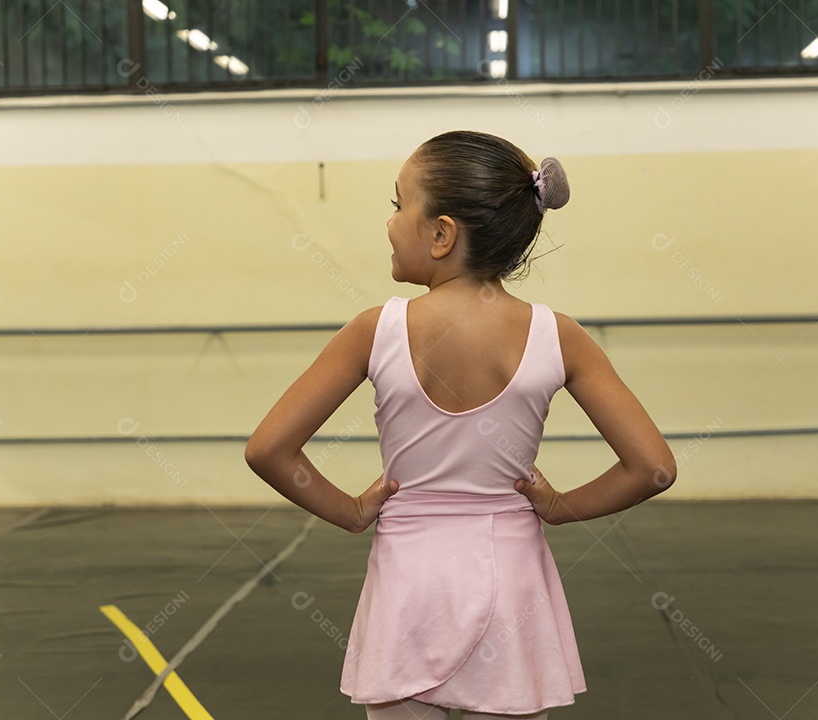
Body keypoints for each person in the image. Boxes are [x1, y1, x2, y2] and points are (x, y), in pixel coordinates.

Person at [244, 130, 677, 719]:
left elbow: (268, 449)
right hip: (512, 587)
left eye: (398, 204)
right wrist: (558, 507)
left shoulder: (375, 330)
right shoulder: (558, 335)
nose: (389, 222)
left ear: (442, 233)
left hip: (409, 588)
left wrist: (350, 511)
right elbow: (652, 468)